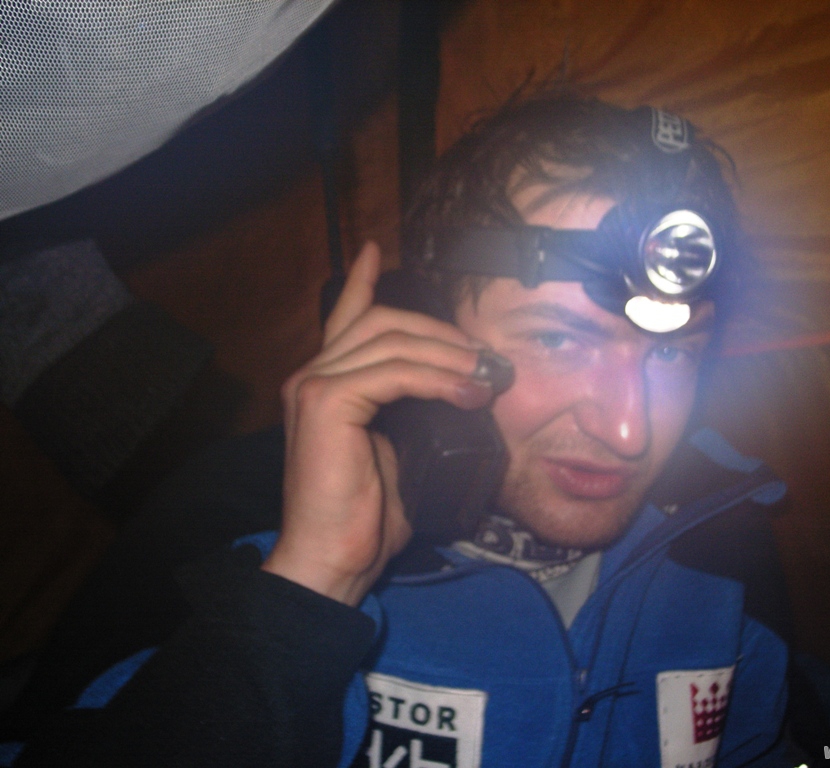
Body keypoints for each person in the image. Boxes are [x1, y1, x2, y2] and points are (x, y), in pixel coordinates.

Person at [8, 95, 789, 767]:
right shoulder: (228, 525)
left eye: (671, 355)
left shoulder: (721, 536)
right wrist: (307, 593)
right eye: (557, 340)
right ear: (425, 321)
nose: (628, 431)